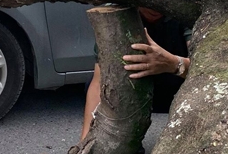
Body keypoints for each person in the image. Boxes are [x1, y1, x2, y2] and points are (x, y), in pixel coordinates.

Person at [80, 8, 189, 142]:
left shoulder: (184, 11)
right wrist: (85, 141)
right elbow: (98, 83)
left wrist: (173, 64)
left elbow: (207, 70)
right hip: (136, 89)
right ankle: (126, 140)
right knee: (103, 85)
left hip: (179, 87)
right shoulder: (115, 14)